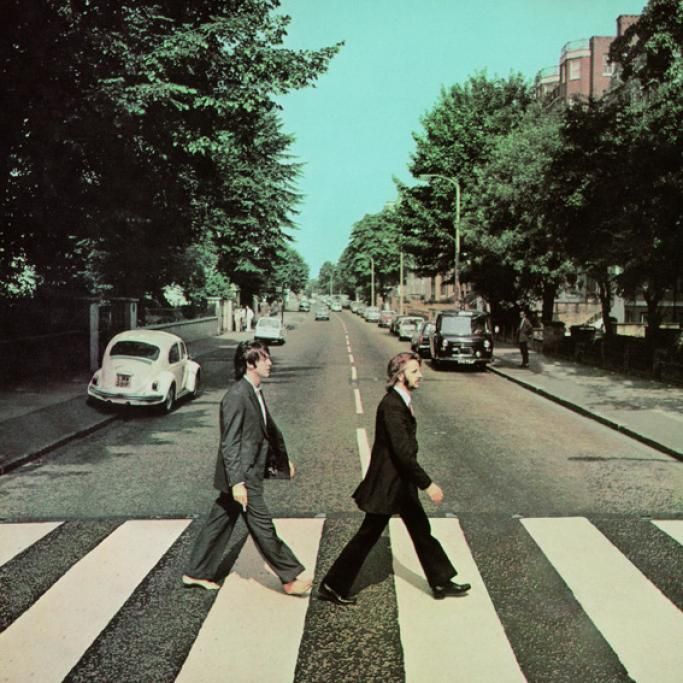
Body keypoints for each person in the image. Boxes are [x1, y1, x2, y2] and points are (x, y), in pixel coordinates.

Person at [318, 352, 471, 605]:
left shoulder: (401, 401)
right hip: (389, 485)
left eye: (419, 370)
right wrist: (428, 484)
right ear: (400, 376)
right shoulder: (392, 406)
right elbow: (402, 454)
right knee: (368, 535)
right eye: (414, 371)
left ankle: (440, 580)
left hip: (401, 484)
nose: (420, 375)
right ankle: (332, 585)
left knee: (421, 531)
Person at [182, 341, 311, 596]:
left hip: (248, 469)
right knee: (263, 527)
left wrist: (282, 462)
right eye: (264, 359)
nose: (270, 363)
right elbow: (229, 443)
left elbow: (263, 433)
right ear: (250, 364)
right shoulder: (237, 396)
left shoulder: (254, 390)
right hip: (244, 474)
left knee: (219, 521)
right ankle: (290, 577)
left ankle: (196, 572)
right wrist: (237, 482)